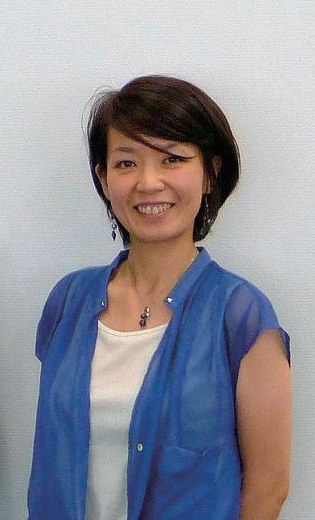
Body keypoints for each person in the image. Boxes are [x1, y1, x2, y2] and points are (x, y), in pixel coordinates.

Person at [28, 76, 291, 519]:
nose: (149, 182)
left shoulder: (240, 315)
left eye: (172, 159)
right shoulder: (68, 301)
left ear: (210, 173)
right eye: (126, 163)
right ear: (104, 178)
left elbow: (269, 488)